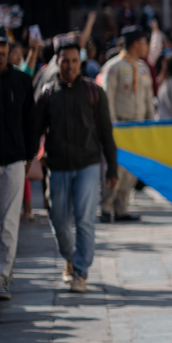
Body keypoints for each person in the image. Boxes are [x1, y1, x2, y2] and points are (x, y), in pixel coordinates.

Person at [36, 35, 118, 293]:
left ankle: (80, 272)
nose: (69, 66)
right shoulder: (48, 94)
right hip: (58, 166)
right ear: (57, 63)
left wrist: (112, 169)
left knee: (84, 221)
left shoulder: (95, 92)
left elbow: (106, 132)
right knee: (59, 220)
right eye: (65, 61)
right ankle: (70, 258)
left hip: (88, 165)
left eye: (74, 61)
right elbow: (35, 131)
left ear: (80, 62)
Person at [0, 25, 39, 300]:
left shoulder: (20, 81)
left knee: (8, 222)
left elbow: (31, 120)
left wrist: (29, 154)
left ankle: (1, 276)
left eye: (2, 46)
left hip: (14, 161)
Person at [98, 26, 155, 223]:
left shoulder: (143, 68)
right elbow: (108, 98)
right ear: (135, 44)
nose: (147, 47)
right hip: (120, 125)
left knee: (131, 171)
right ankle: (106, 207)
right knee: (115, 170)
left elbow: (148, 99)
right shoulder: (113, 67)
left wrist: (150, 124)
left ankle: (122, 208)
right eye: (145, 43)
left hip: (137, 127)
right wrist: (112, 126)